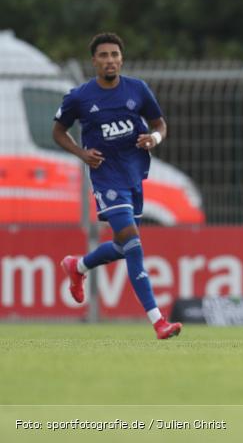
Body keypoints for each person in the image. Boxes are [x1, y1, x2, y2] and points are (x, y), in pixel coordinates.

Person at [54, 32, 182, 340]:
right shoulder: (80, 97)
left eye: (114, 55)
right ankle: (158, 321)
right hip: (106, 179)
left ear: (121, 59)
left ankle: (78, 265)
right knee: (134, 245)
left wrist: (155, 138)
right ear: (94, 61)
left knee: (124, 246)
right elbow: (58, 132)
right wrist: (82, 154)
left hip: (134, 175)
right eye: (103, 55)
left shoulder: (137, 89)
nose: (110, 60)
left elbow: (159, 124)